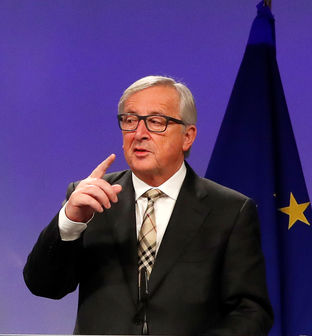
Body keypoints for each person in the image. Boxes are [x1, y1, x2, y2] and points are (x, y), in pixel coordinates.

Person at [23, 75, 273, 335]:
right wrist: (70, 221)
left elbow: (251, 312)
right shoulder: (89, 198)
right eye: (130, 121)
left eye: (155, 122)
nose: (139, 134)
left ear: (187, 136)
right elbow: (44, 286)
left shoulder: (231, 211)